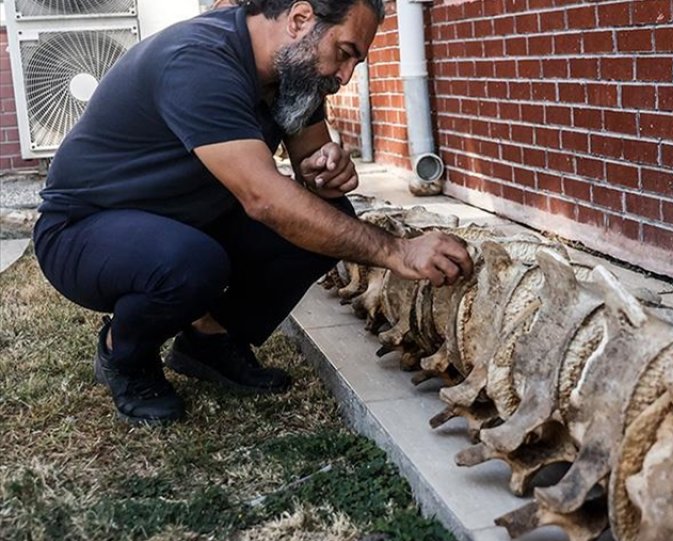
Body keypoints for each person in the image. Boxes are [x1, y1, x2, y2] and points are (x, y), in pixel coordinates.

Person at [33, 0, 472, 424]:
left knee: (327, 213)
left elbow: (311, 165)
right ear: (301, 18)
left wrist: (327, 168)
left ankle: (209, 341)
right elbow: (263, 198)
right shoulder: (200, 61)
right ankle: (122, 353)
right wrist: (398, 251)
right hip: (83, 231)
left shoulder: (294, 72)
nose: (343, 76)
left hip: (184, 222)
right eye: (344, 54)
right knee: (192, 264)